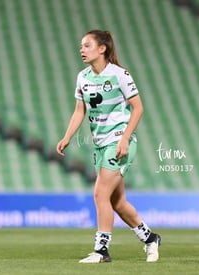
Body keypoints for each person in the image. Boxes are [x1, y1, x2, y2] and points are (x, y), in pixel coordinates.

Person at [56, 29, 161, 263]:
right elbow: (79, 110)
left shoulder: (120, 75)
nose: (81, 49)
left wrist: (124, 138)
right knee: (117, 202)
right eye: (81, 46)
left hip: (119, 142)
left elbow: (138, 108)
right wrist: (67, 137)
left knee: (99, 193)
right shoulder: (82, 77)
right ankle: (150, 239)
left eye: (87, 45)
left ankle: (101, 251)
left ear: (102, 49)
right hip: (100, 145)